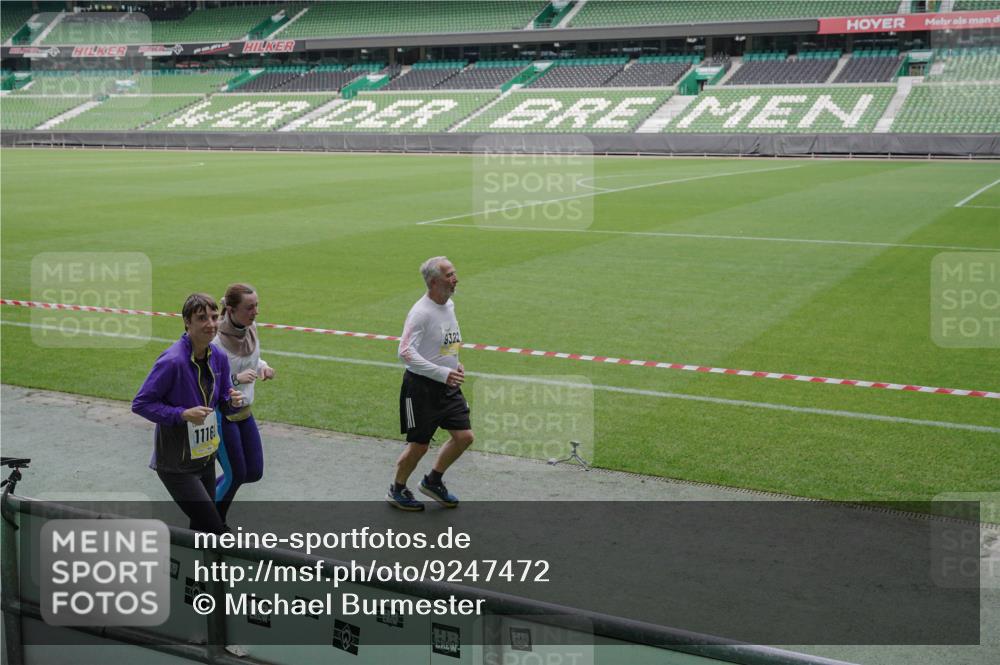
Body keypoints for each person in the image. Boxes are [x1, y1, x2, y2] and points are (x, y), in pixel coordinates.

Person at [132, 293, 243, 534]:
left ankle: (192, 571)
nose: (211, 324)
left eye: (214, 317)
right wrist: (182, 414)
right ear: (187, 322)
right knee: (215, 529)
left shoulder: (219, 358)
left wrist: (232, 401)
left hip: (205, 459)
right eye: (202, 318)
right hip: (176, 466)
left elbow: (222, 401)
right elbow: (141, 403)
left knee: (201, 529)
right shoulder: (172, 361)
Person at [389, 256, 475, 511]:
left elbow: (446, 338)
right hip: (420, 389)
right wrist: (441, 372)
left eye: (454, 273)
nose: (455, 279)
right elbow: (405, 352)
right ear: (434, 282)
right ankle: (397, 489)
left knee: (464, 437)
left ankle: (433, 481)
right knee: (420, 445)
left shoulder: (448, 305)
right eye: (450, 275)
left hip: (447, 385)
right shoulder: (420, 313)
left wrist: (454, 362)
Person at [213, 283, 275, 521]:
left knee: (254, 472)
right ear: (230, 309)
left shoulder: (251, 328)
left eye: (256, 305)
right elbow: (208, 380)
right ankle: (211, 526)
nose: (256, 312)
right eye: (250, 307)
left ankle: (203, 499)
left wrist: (263, 367)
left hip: (244, 412)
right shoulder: (216, 341)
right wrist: (234, 379)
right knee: (235, 475)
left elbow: (252, 360)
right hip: (222, 414)